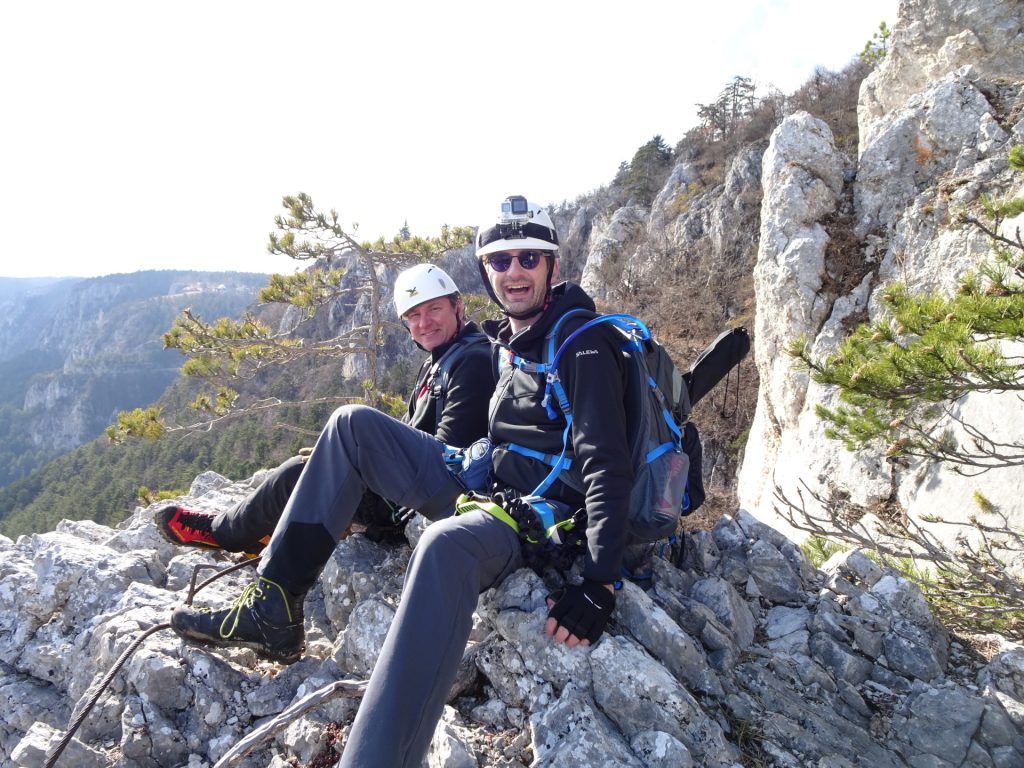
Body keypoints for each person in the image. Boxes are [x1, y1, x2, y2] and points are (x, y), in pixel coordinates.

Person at [170, 197, 635, 768]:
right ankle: (271, 605)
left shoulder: (582, 342)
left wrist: (600, 582)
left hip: (538, 522)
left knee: (442, 547)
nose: (514, 271)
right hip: (488, 488)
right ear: (486, 274)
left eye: (528, 259)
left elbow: (606, 462)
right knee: (350, 425)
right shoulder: (513, 345)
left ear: (552, 268)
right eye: (500, 260)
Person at [156, 263, 492, 554]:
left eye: (434, 309)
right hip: (409, 491)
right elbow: (413, 434)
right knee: (317, 461)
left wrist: (364, 462)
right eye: (414, 316)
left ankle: (223, 533)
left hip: (416, 503)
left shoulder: (471, 362)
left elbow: (446, 456)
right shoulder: (444, 359)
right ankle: (261, 530)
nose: (424, 323)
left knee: (297, 474)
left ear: (458, 308)